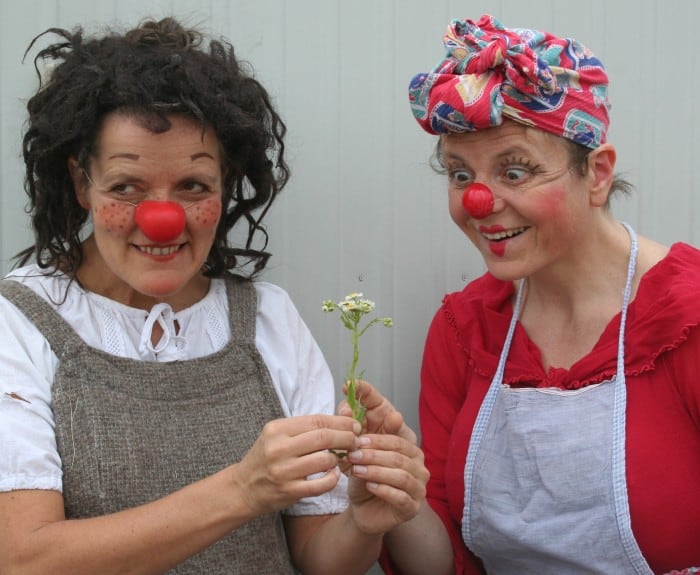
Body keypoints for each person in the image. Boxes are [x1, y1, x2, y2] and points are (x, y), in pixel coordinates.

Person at [0, 17, 429, 574]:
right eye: (126, 187)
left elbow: (321, 560)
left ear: (225, 187)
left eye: (193, 186)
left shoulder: (267, 319)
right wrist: (242, 491)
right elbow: (24, 559)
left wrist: (364, 522)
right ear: (82, 182)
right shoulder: (20, 322)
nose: (162, 220)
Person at [380, 14, 700, 575]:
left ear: (596, 174)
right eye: (459, 174)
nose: (478, 201)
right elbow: (440, 559)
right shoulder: (464, 329)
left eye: (516, 171)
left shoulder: (688, 317)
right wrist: (397, 492)